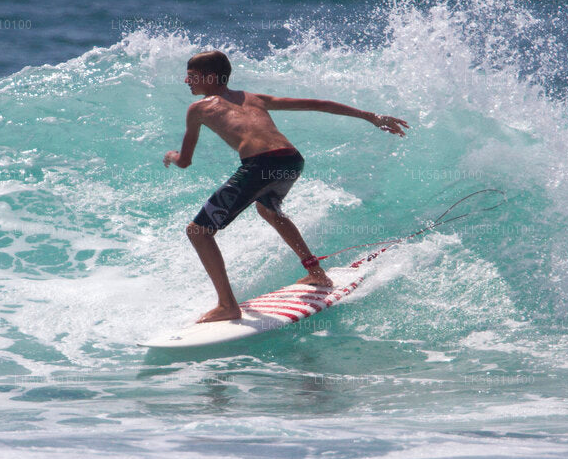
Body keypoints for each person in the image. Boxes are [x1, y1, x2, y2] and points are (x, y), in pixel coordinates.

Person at [163, 50, 410, 323]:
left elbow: (185, 161)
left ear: (210, 77)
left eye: (192, 75)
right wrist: (370, 116)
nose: (187, 81)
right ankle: (316, 272)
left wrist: (172, 156)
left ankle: (227, 305)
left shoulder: (198, 108)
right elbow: (316, 104)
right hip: (291, 160)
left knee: (198, 231)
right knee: (269, 210)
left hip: (259, 164)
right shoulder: (254, 98)